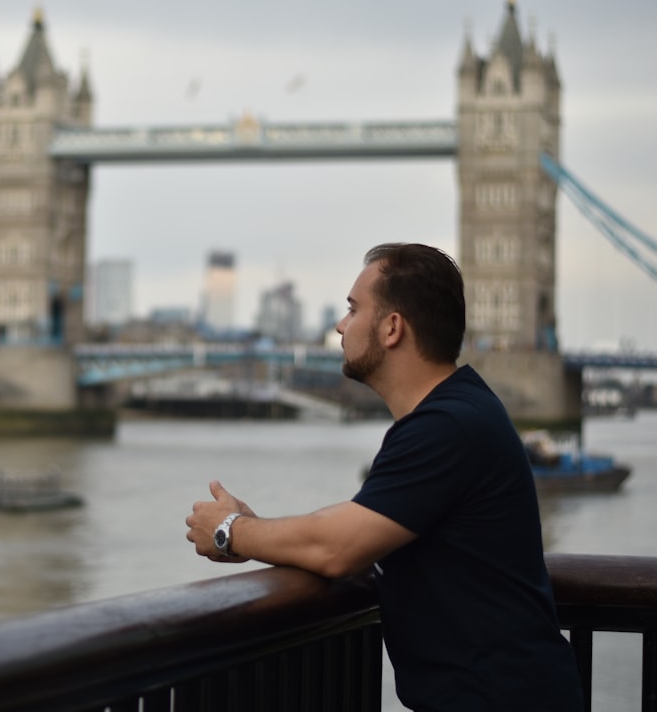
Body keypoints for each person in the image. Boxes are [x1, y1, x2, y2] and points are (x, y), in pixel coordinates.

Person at [185, 243, 583, 711]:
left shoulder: (447, 427)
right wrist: (259, 531)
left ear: (392, 327)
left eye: (353, 309)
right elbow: (356, 526)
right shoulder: (453, 413)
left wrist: (232, 531)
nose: (339, 324)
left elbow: (338, 548)